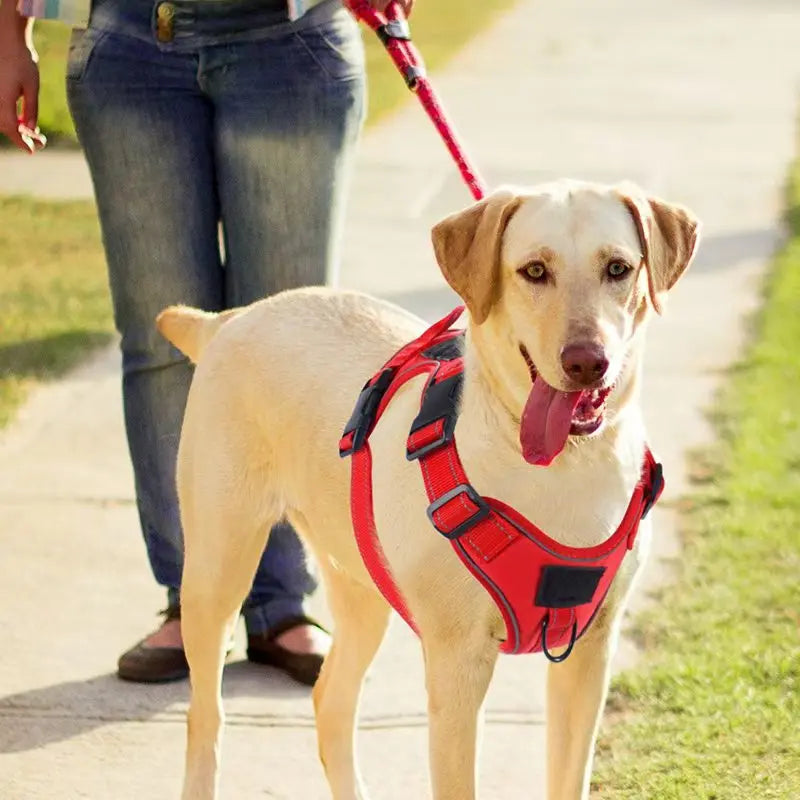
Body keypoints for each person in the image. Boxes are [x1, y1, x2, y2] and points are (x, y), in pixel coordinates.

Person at [0, 0, 414, 686]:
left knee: (296, 350)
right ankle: (192, 600)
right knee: (162, 338)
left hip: (289, 45)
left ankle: (281, 603)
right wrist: (8, 32)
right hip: (127, 44)